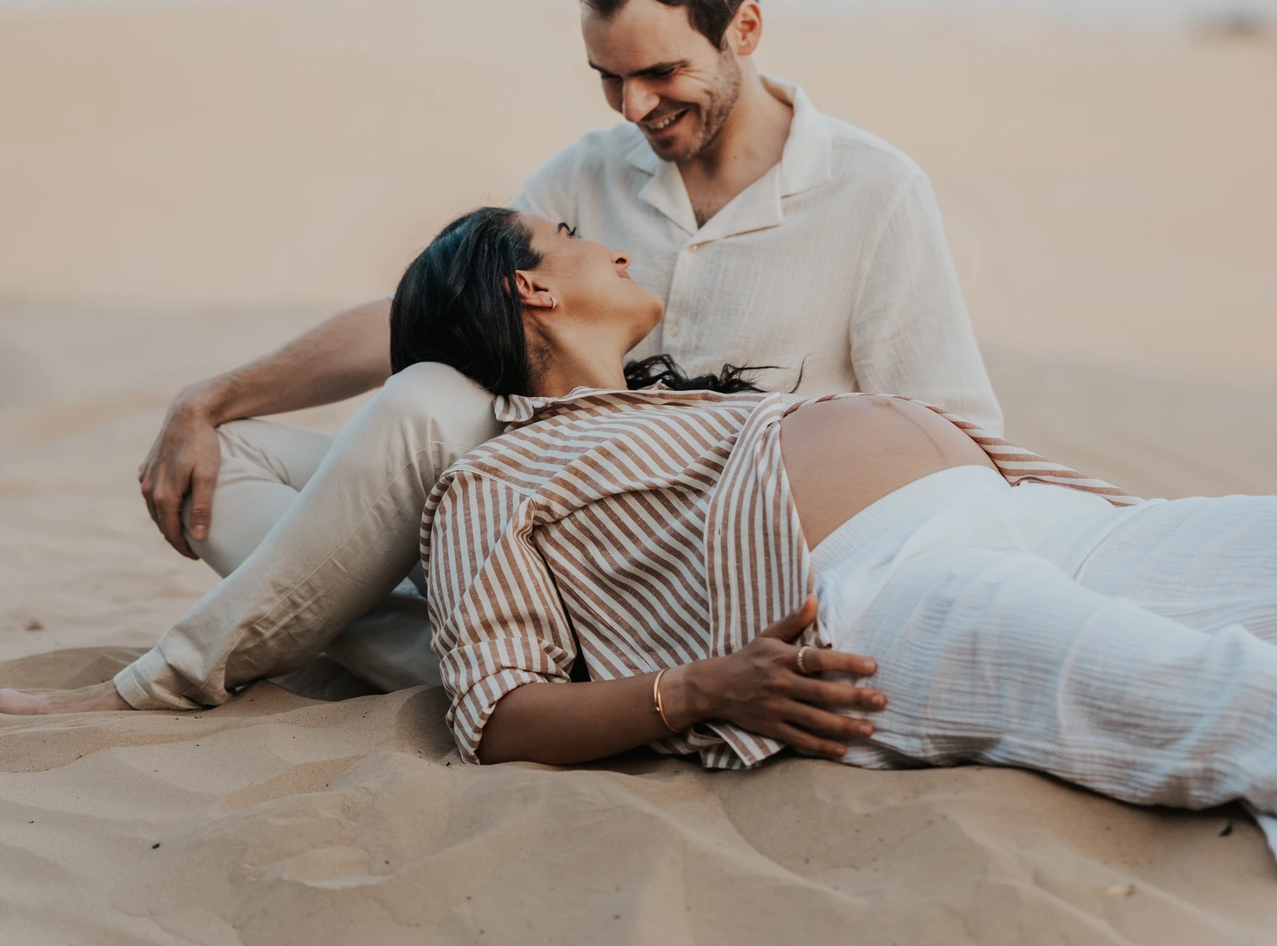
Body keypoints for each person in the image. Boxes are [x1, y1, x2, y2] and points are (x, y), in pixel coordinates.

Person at [9, 208, 1275, 875]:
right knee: (1211, 699)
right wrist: (700, 689)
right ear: (532, 289)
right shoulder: (494, 480)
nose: (609, 240)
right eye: (570, 238)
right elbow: (494, 711)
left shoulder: (685, 387)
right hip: (878, 597)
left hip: (1053, 515)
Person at [122, 0, 999, 708]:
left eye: (659, 73)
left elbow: (948, 433)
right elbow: (424, 320)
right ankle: (490, 666)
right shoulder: (585, 174)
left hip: (704, 581)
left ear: (745, 27)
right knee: (230, 460)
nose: (632, 108)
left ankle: (209, 673)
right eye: (607, 77)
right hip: (525, 526)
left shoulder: (871, 191)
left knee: (426, 401)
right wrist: (208, 399)